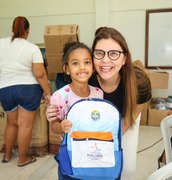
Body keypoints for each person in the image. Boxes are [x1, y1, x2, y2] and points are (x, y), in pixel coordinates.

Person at [46, 27, 152, 180]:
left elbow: (131, 116)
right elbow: (65, 102)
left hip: (125, 117)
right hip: (92, 124)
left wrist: (107, 141)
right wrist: (53, 113)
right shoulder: (87, 77)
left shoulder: (139, 83)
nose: (105, 60)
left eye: (114, 53)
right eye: (99, 53)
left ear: (124, 59)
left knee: (126, 167)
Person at [48, 41, 103, 179]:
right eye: (75, 63)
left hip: (94, 151)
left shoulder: (98, 93)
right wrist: (61, 126)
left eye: (87, 62)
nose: (82, 67)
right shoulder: (60, 96)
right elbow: (54, 126)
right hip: (70, 153)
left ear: (93, 66)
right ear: (66, 69)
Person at [0, 16, 50, 167]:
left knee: (11, 123)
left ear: (12, 29)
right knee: (24, 125)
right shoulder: (32, 48)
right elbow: (40, 74)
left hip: (5, 89)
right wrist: (48, 93)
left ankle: (7, 156)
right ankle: (23, 159)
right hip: (27, 89)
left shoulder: (0, 43)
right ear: (27, 31)